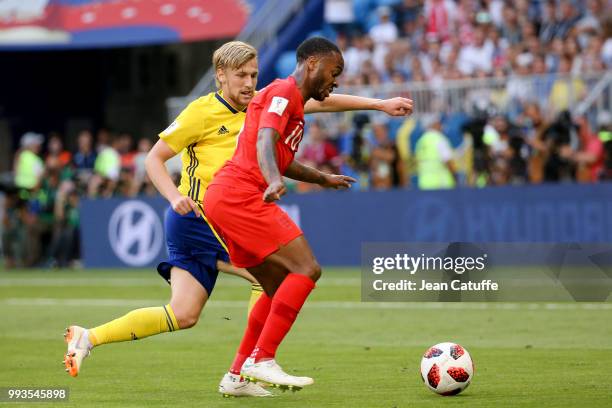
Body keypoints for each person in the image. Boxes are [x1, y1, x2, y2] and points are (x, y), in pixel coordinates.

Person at [63, 40, 414, 398]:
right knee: (277, 276)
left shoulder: (263, 102)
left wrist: (378, 104)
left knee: (183, 314)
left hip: (213, 216)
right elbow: (155, 158)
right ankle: (250, 365)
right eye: (241, 75)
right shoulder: (201, 112)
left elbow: (320, 101)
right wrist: (174, 196)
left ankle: (88, 337)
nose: (249, 83)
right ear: (220, 76)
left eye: (253, 74)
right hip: (202, 215)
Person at [204, 37, 400, 392]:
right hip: (240, 195)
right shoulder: (283, 91)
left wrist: (321, 178)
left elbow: (281, 154)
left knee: (275, 284)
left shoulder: (292, 98)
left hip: (227, 197)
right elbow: (265, 140)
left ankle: (236, 375)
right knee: (307, 269)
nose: (335, 79)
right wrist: (273, 178)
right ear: (312, 64)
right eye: (333, 71)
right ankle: (263, 358)